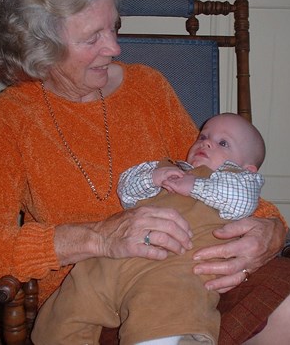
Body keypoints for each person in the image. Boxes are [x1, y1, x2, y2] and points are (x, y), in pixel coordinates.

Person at [0, 0, 290, 345]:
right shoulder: (8, 119)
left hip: (191, 270)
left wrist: (273, 228)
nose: (114, 48)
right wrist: (98, 237)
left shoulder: (148, 88)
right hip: (89, 304)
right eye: (91, 37)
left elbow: (215, 169)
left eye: (113, 26)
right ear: (40, 47)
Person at [33, 113, 267, 344]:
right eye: (203, 135)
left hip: (172, 265)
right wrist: (153, 178)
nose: (206, 142)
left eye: (223, 143)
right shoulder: (171, 169)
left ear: (248, 169)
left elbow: (242, 201)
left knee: (162, 309)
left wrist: (195, 185)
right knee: (74, 297)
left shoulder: (237, 180)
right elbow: (126, 191)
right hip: (111, 259)